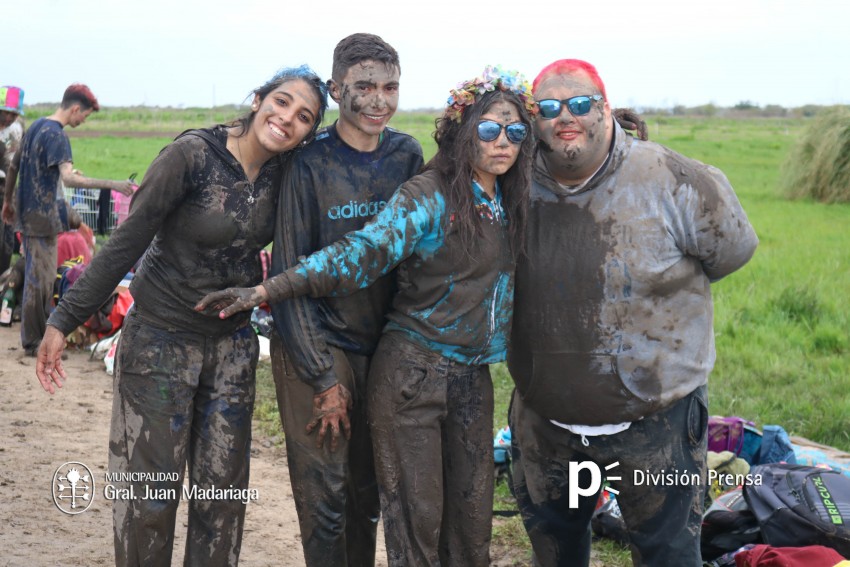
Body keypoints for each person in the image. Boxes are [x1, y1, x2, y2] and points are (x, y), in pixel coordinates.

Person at [196, 65, 536, 567]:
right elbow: (358, 253)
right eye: (489, 129)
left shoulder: (511, 195)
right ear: (466, 133)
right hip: (414, 376)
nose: (502, 141)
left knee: (471, 527)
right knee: (415, 525)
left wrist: (607, 126)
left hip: (473, 378)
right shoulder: (430, 195)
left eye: (515, 131)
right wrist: (267, 288)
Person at [34, 66, 329, 566]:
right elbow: (127, 240)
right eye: (281, 102)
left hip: (232, 349)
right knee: (149, 496)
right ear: (258, 99)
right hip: (160, 342)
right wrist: (64, 319)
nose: (286, 120)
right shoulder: (191, 156)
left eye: (303, 117)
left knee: (222, 497)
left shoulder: (289, 172)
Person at [506, 59, 759, 566]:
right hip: (547, 427)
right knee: (556, 552)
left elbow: (733, 251)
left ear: (604, 108)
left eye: (580, 104)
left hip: (658, 427)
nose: (565, 117)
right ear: (533, 120)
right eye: (549, 108)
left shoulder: (675, 180)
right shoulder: (508, 185)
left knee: (667, 553)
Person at [261, 33, 423, 567]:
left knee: (367, 492)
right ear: (336, 89)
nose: (380, 99)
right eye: (366, 87)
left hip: (381, 346)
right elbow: (290, 273)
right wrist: (321, 377)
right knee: (325, 497)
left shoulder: (406, 154)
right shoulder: (307, 164)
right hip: (317, 343)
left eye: (391, 87)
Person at [2, 83, 135, 355]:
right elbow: (69, 177)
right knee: (41, 282)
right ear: (75, 108)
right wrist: (113, 184)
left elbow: (14, 166)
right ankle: (34, 343)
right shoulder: (57, 135)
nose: (82, 121)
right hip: (42, 221)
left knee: (36, 279)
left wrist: (7, 202)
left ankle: (32, 340)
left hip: (28, 216)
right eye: (83, 116)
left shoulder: (36, 126)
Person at [0, 85, 25, 275]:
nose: (10, 118)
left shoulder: (17, 129)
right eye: (7, 113)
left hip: (8, 190)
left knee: (7, 240)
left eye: (14, 114)